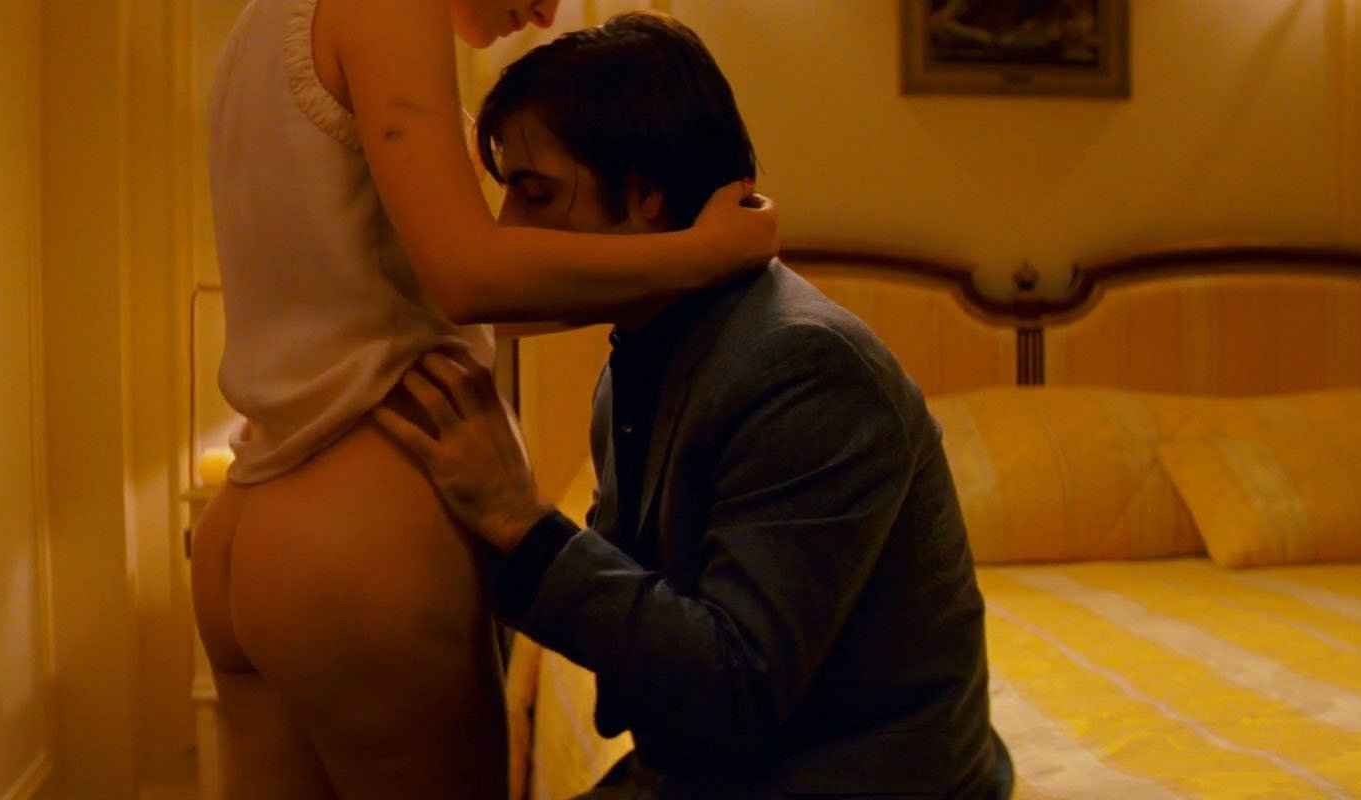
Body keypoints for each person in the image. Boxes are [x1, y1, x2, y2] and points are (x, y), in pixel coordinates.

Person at [374, 13, 1014, 799]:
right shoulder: (647, 353)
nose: (508, 232)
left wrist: (521, 520)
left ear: (646, 195)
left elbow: (736, 686)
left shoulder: (804, 366)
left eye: (536, 194)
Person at [192, 0, 778, 797]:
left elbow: (469, 293)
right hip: (363, 530)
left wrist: (661, 277)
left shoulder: (263, 26)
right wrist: (704, 252)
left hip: (252, 521)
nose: (547, 9)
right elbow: (468, 279)